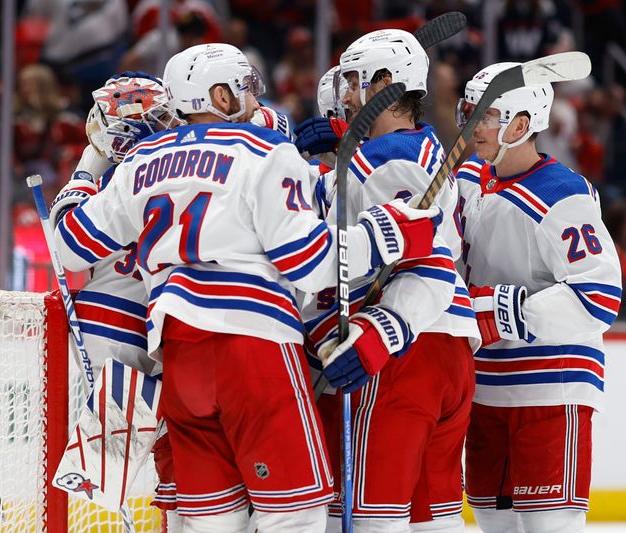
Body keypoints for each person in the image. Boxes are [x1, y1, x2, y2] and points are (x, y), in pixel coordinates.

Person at [52, 43, 443, 533]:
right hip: (253, 350)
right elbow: (311, 263)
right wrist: (386, 234)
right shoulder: (263, 151)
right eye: (246, 88)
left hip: (178, 357)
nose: (256, 99)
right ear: (219, 95)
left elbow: (67, 244)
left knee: (209, 522)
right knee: (295, 515)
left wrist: (89, 164)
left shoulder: (140, 162)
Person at [295, 29, 480, 533]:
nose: (347, 96)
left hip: (404, 352)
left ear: (386, 84)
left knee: (366, 521)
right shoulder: (416, 150)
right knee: (430, 521)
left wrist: (381, 335)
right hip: (446, 352)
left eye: (354, 82)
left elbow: (426, 259)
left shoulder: (388, 157)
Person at [454, 62, 622, 533]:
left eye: (485, 115)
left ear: (521, 124)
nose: (473, 123)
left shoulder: (563, 195)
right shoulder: (467, 178)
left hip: (552, 385)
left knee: (550, 526)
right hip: (485, 386)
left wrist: (503, 311)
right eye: (470, 110)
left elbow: (600, 296)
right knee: (492, 522)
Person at [50, 71, 186, 530]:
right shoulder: (183, 173)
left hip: (98, 339)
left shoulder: (119, 180)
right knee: (155, 473)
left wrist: (87, 167)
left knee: (98, 481)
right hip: (160, 338)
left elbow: (67, 247)